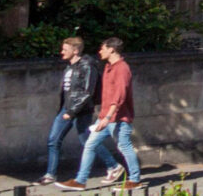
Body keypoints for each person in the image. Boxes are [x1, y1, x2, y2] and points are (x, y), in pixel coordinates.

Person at [62, 38, 139, 190]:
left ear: (112, 50)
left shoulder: (122, 68)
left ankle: (135, 180)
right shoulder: (109, 67)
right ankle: (80, 180)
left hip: (119, 118)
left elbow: (120, 96)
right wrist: (102, 116)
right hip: (105, 117)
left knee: (124, 146)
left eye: (103, 49)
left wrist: (108, 117)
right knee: (90, 145)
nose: (100, 51)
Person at [45, 37, 98, 186]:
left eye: (65, 50)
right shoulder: (69, 67)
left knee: (86, 141)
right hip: (66, 108)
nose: (61, 52)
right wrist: (65, 109)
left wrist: (73, 111)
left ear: (75, 51)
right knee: (53, 140)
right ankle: (50, 174)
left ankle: (112, 165)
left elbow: (88, 92)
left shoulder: (87, 66)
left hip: (80, 110)